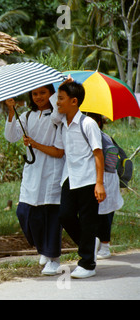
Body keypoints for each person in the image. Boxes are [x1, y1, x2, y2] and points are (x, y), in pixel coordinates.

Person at [4, 85, 65, 276]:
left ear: (51, 95)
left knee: (51, 215)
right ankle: (44, 249)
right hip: (32, 171)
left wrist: (35, 143)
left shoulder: (57, 116)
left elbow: (58, 150)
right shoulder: (28, 116)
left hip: (52, 171)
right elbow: (11, 136)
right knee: (25, 212)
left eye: (43, 93)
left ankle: (53, 259)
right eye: (35, 93)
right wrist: (11, 111)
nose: (38, 97)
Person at [55, 81, 106, 279]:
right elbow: (60, 152)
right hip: (69, 177)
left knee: (87, 221)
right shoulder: (63, 125)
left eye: (61, 98)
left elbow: (98, 154)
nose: (57, 102)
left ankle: (88, 264)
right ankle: (90, 243)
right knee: (65, 216)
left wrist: (99, 183)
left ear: (74, 101)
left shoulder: (88, 124)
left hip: (88, 178)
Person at [85, 113, 124, 259]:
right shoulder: (96, 136)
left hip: (105, 178)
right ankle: (97, 243)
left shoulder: (103, 138)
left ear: (99, 123)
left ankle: (105, 245)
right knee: (96, 213)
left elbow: (109, 162)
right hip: (99, 178)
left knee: (105, 214)